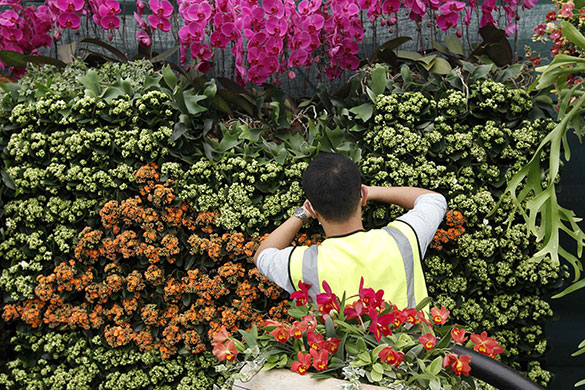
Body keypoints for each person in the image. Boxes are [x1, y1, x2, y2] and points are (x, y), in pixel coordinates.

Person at [254, 152, 447, 309]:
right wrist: (369, 192)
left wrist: (302, 214)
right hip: (417, 355)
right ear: (362, 195)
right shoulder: (403, 238)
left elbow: (262, 255)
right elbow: (433, 200)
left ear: (314, 209)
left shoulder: (302, 264)